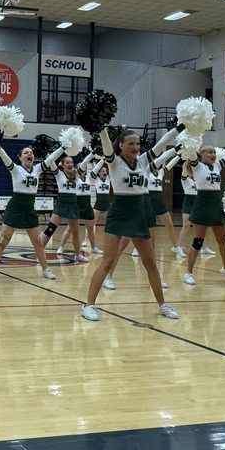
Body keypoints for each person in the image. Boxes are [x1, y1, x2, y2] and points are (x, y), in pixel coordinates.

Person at [82, 125, 180, 321]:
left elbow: (162, 143)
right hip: (119, 211)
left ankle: (163, 304)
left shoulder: (143, 161)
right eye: (131, 144)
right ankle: (89, 305)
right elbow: (107, 145)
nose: (136, 147)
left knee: (150, 263)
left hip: (140, 211)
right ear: (121, 145)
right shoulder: (114, 162)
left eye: (138, 143)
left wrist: (182, 126)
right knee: (108, 261)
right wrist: (100, 127)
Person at [0, 142, 65, 280]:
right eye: (26, 153)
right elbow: (5, 157)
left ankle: (46, 270)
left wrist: (63, 148)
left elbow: (50, 159)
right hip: (14, 209)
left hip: (29, 210)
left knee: (38, 242)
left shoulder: (38, 169)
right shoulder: (16, 169)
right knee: (2, 241)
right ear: (20, 158)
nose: (29, 154)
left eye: (31, 153)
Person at [182, 143, 225, 286]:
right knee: (198, 241)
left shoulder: (217, 166)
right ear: (201, 155)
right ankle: (189, 273)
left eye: (214, 152)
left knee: (222, 240)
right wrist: (190, 140)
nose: (213, 154)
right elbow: (191, 152)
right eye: (209, 152)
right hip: (202, 204)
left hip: (216, 204)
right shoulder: (197, 166)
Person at [43, 154, 86, 262]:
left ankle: (77, 254)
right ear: (62, 165)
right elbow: (51, 161)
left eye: (71, 162)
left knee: (75, 231)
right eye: (67, 162)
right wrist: (47, 153)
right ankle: (39, 251)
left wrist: (93, 153)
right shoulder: (59, 174)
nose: (70, 164)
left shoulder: (76, 175)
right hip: (61, 202)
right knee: (50, 229)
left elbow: (85, 163)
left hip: (72, 202)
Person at [57, 154, 101, 256]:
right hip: (77, 203)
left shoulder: (89, 177)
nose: (83, 169)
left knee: (90, 228)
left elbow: (97, 168)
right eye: (81, 168)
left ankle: (93, 247)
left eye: (85, 168)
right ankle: (61, 247)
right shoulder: (74, 178)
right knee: (69, 229)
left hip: (87, 204)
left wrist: (103, 159)